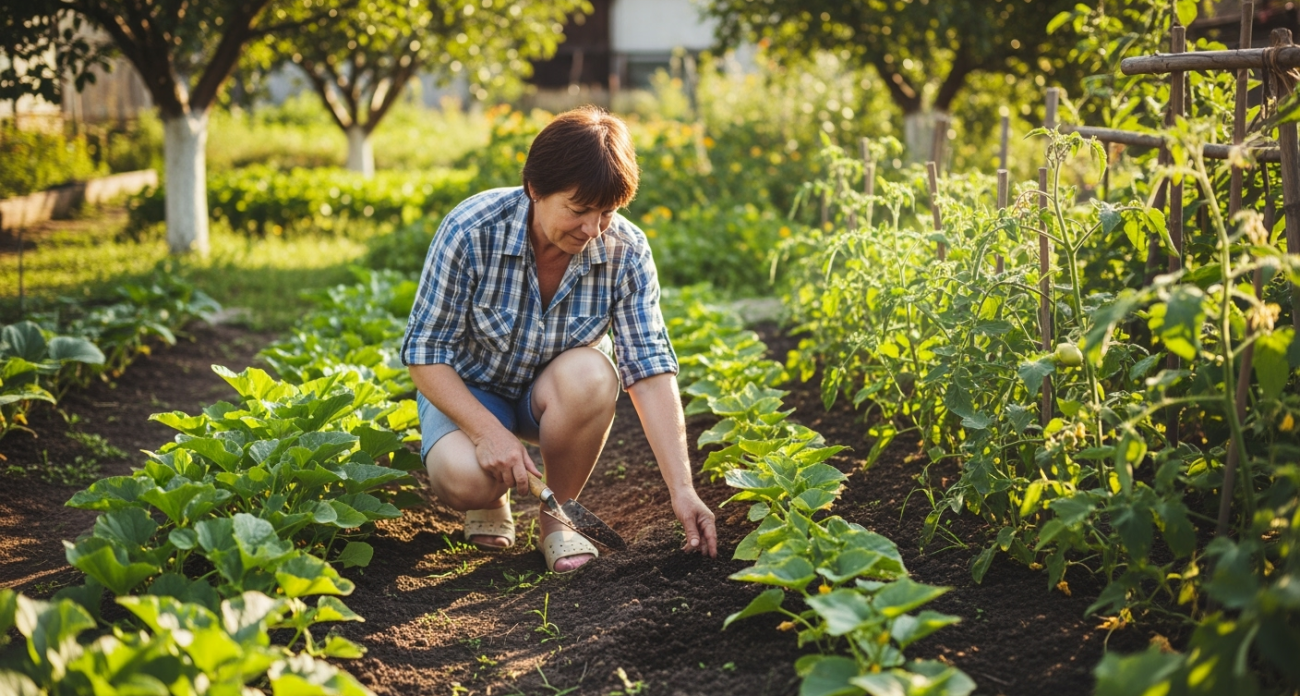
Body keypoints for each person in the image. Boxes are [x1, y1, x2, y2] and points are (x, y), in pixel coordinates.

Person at [400, 106, 718, 574]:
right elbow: (424, 354)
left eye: (607, 212)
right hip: (471, 391)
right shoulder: (471, 231)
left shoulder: (625, 252)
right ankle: (490, 496)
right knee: (468, 481)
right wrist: (487, 433)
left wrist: (682, 489)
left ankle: (559, 516)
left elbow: (649, 371)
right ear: (534, 189)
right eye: (578, 210)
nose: (593, 230)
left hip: (550, 397)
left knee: (593, 372)